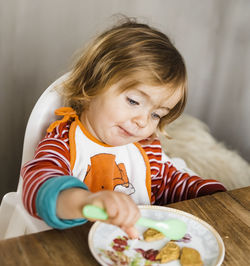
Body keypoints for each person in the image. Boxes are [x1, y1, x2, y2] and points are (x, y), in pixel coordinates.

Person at [21, 18, 226, 239]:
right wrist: (85, 201)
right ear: (93, 83)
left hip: (135, 250)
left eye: (156, 114)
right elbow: (38, 188)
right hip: (72, 248)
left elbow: (171, 184)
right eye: (134, 101)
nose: (142, 121)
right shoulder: (65, 140)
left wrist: (214, 197)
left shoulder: (145, 149)